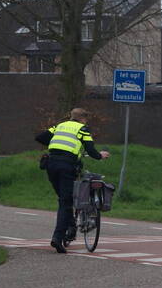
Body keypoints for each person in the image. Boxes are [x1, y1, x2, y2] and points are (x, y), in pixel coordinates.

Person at [35, 108, 110, 253]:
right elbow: (91, 150)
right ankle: (57, 238)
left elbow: (40, 137)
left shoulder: (60, 126)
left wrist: (57, 146)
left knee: (64, 199)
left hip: (51, 164)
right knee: (66, 202)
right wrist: (100, 155)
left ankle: (71, 227)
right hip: (67, 166)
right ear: (83, 119)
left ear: (71, 116)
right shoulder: (82, 129)